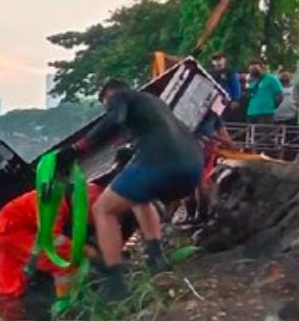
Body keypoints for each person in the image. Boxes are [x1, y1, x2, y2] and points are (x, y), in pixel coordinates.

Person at [55, 79, 203, 302]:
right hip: (192, 168)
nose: (108, 106)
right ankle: (156, 259)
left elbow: (114, 119)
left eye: (105, 103)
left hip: (160, 163)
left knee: (104, 209)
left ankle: (115, 282)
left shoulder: (119, 96)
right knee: (137, 197)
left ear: (108, 94)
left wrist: (77, 148)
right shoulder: (154, 102)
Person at [0, 182, 137, 299]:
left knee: (9, 290)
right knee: (64, 264)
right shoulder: (55, 207)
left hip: (6, 226)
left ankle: (7, 317)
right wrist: (88, 251)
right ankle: (68, 316)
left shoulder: (87, 192)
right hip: (12, 232)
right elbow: (54, 240)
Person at [246, 59, 283, 124]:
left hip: (266, 113)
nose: (253, 71)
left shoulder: (271, 79)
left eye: (255, 68)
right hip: (251, 112)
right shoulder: (251, 81)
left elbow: (279, 95)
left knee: (263, 133)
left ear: (262, 68)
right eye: (251, 69)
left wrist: (272, 106)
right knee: (251, 133)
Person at [209, 53, 242, 121]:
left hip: (225, 101)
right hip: (212, 100)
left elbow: (235, 85)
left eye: (220, 59)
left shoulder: (230, 72)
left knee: (224, 121)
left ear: (224, 60)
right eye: (216, 60)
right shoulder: (210, 73)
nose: (218, 61)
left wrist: (236, 99)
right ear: (213, 62)